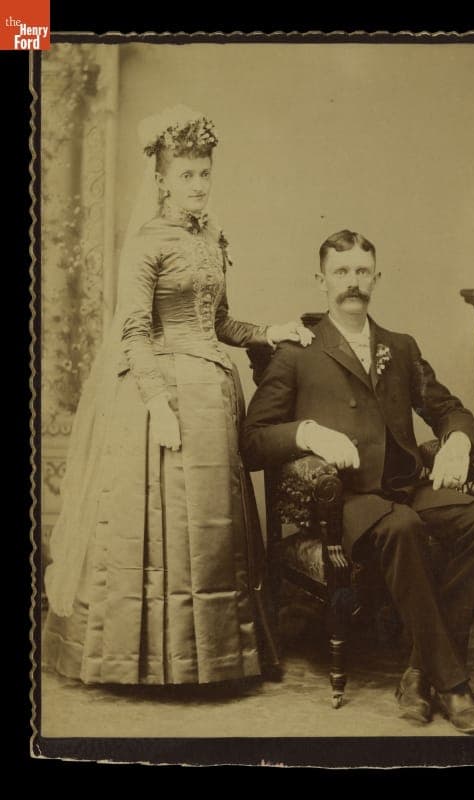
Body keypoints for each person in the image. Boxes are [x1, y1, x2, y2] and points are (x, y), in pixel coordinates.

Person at [43, 105, 313, 687]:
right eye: (185, 174)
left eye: (204, 173)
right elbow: (135, 331)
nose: (197, 185)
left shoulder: (213, 237)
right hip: (159, 398)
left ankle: (213, 660)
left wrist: (271, 332)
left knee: (212, 531)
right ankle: (147, 664)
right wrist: (158, 404)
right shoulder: (147, 243)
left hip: (214, 399)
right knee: (161, 530)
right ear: (161, 179)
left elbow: (219, 323)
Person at [241, 229, 474, 734]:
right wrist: (308, 432)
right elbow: (253, 441)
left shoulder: (400, 347)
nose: (353, 282)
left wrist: (457, 441)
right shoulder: (297, 353)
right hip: (347, 500)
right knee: (403, 528)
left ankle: (418, 672)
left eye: (362, 271)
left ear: (376, 278)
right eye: (341, 272)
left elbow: (449, 409)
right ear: (321, 280)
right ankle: (453, 685)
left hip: (406, 487)